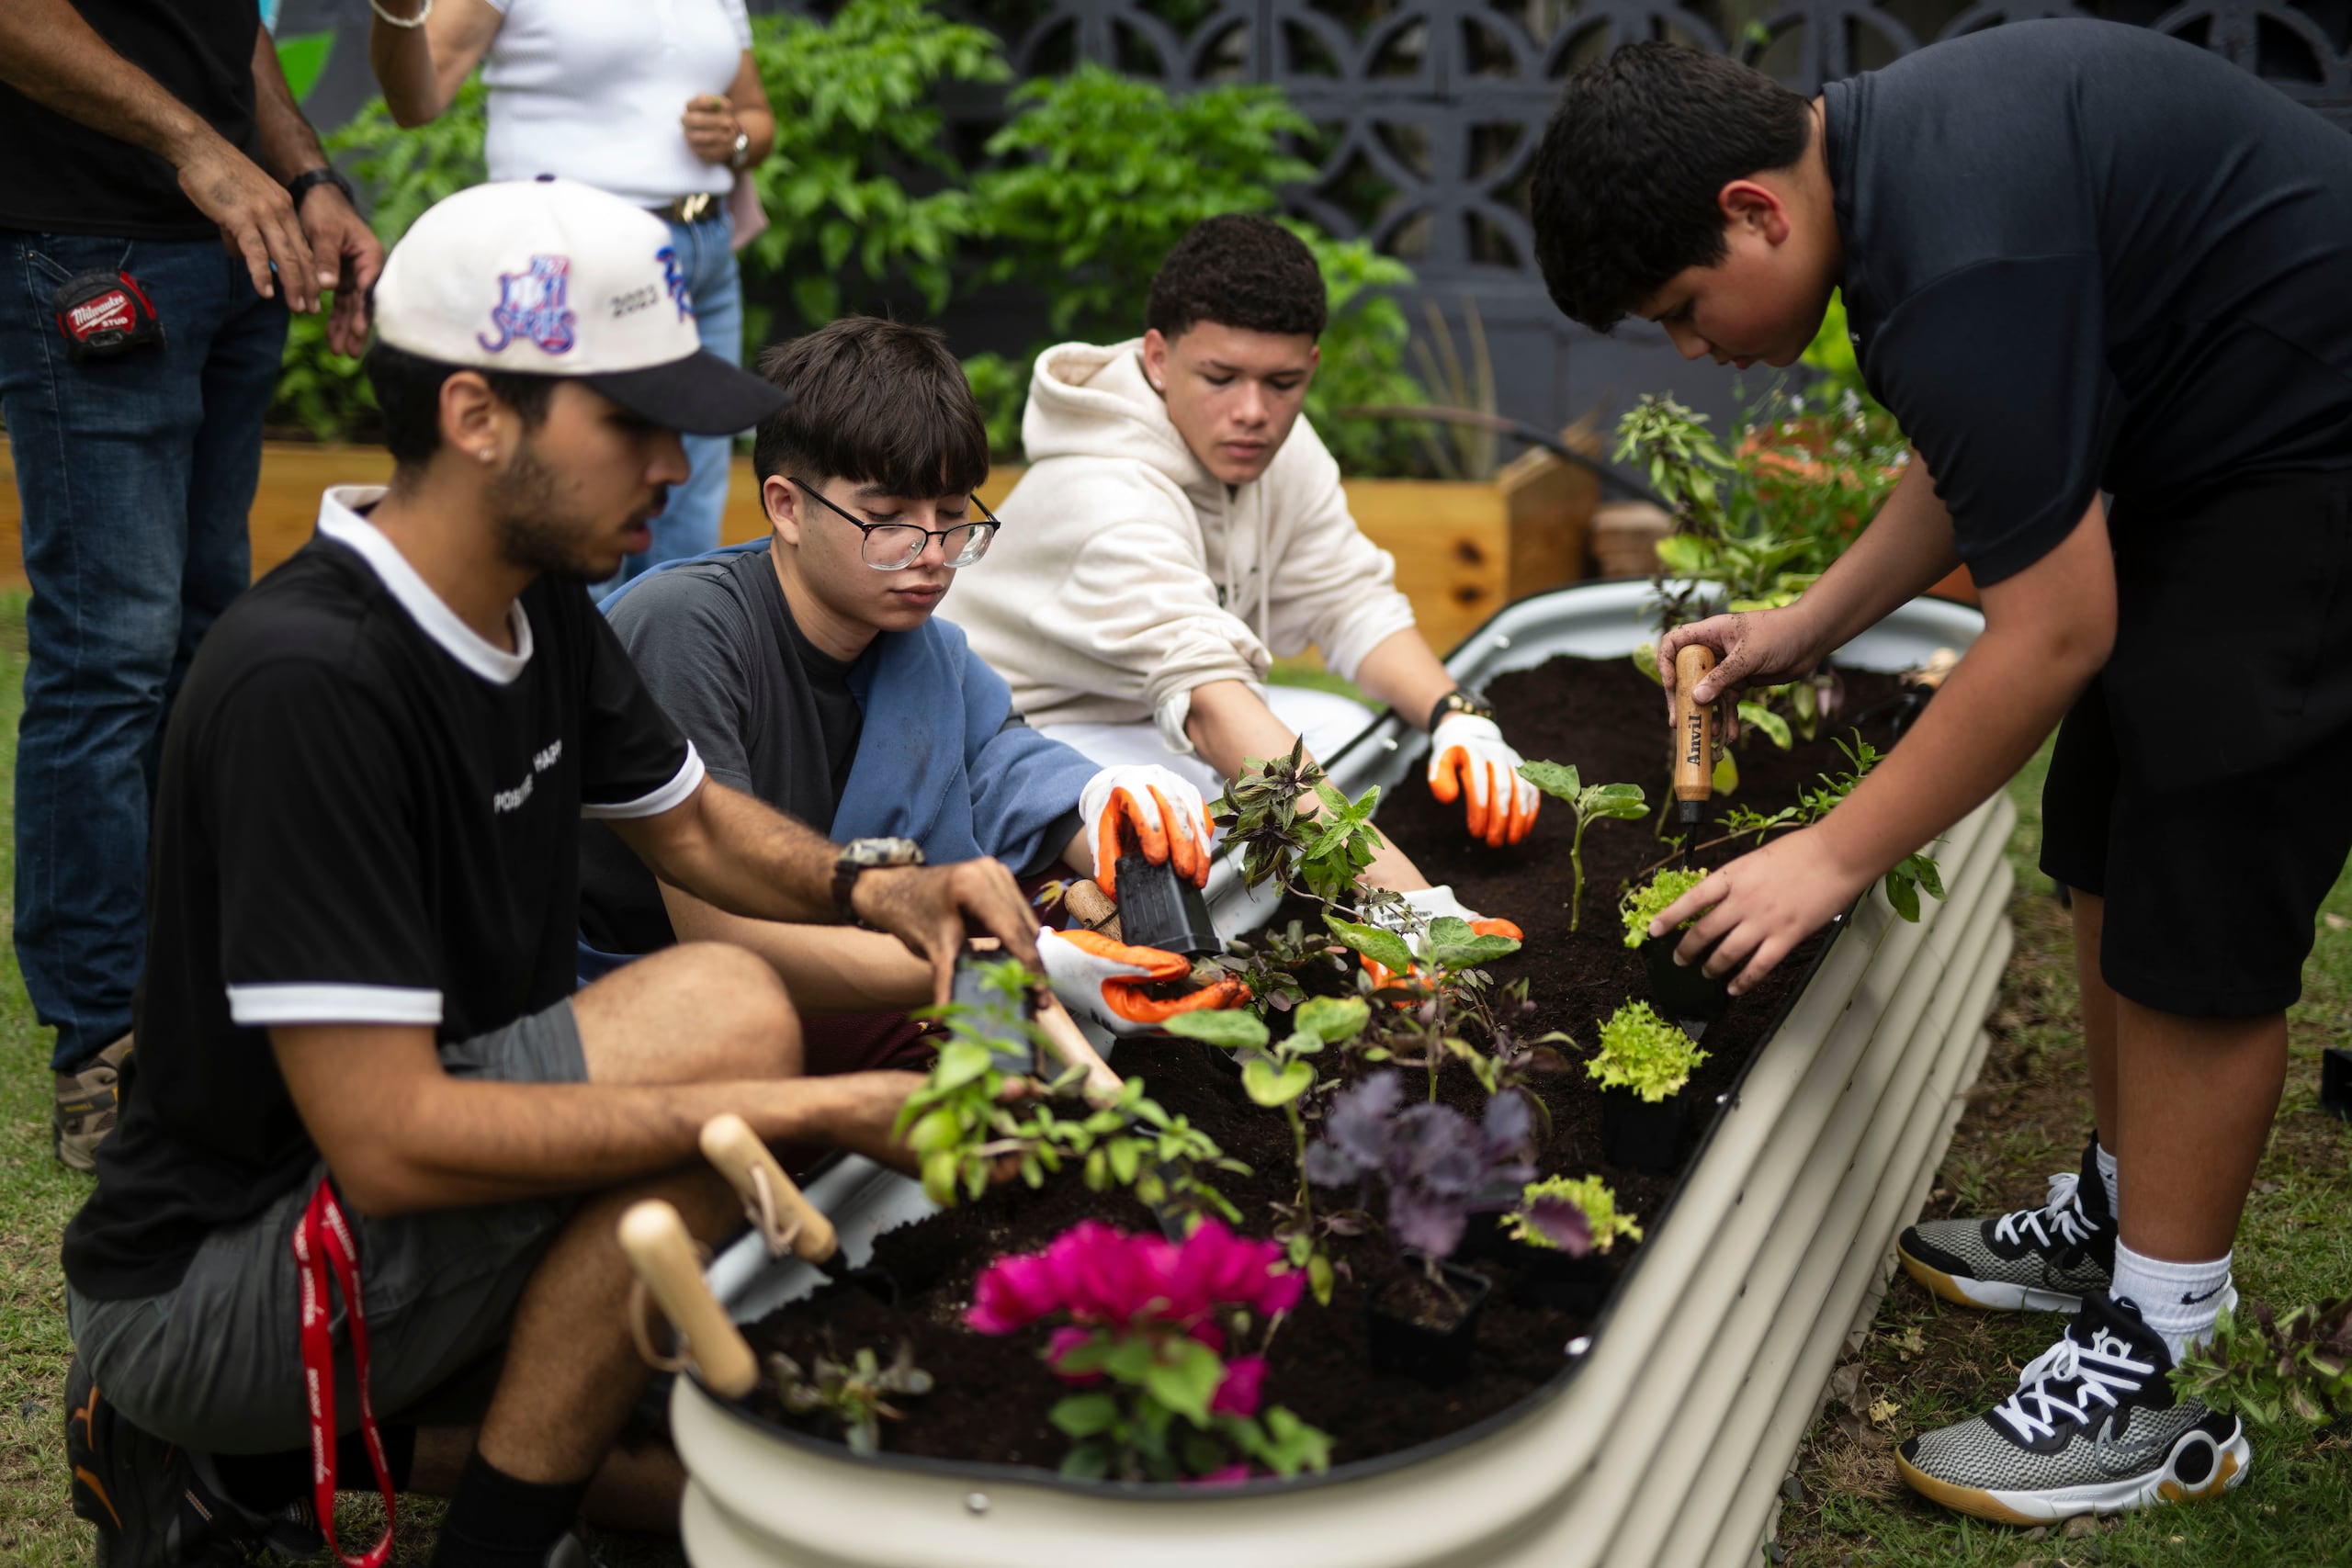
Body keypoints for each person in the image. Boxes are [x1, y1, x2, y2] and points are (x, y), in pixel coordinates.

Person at [59, 179, 1047, 1568]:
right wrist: (813, 1102)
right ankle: (218, 1436)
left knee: (721, 1393)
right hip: (224, 1272)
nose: (668, 462)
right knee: (743, 1358)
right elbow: (391, 1134)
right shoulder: (314, 682)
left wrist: (876, 886)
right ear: (477, 417)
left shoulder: (538, 611)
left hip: (412, 1188)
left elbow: (700, 827)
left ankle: (383, 1486)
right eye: (631, 421)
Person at [1530, 22, 2352, 1522]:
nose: (1696, 350)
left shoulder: (1958, 251)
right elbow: (1982, 453)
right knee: (2107, 825)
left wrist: (1830, 853)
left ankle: (2159, 1363)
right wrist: (1807, 622)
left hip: (2313, 455)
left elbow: (2047, 635)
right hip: (2225, 444)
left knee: (2200, 888)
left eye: (1685, 309)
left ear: (1754, 211)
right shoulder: (1908, 180)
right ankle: (2124, 1210)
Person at [579, 313, 1249, 1045]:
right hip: (657, 1002)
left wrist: (1112, 810)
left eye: (954, 516)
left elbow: (1004, 767)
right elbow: (726, 941)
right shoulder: (687, 629)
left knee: (1076, 918)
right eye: (889, 519)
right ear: (786, 505)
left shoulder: (922, 649)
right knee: (990, 991)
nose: (932, 551)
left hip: (831, 956)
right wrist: (1018, 962)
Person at [0, 0, 382, 1171]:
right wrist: (198, 149)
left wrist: (305, 170)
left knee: (205, 638)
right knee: (109, 649)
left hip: (234, 257)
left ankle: (185, 1007)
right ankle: (100, 1042)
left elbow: (226, 29)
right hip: (86, 247)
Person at [952, 213, 1535, 942]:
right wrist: (1411, 909)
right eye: (1220, 377)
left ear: (1311, 368)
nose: (1253, 412)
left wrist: (1458, 715)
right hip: (1022, 737)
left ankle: (1290, 890)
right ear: (1159, 359)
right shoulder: (1105, 496)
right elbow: (1213, 712)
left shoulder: (1273, 447)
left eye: (1282, 382)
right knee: (1205, 812)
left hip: (1144, 712)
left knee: (1358, 741)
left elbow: (1349, 602)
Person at [369, 0, 773, 581]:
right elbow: (416, 100)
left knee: (689, 515)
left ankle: (667, 665)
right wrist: (397, 12)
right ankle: (576, 668)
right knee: (580, 502)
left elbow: (758, 116)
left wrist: (734, 139)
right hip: (577, 265)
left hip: (702, 252)